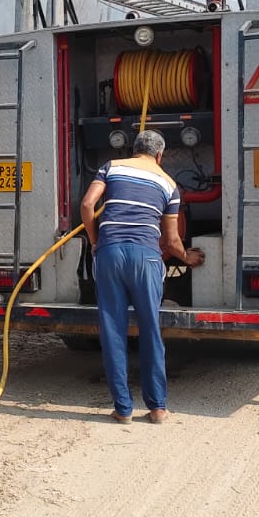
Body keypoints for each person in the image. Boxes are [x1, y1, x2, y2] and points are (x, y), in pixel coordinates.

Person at [80, 129, 204, 425]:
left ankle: (123, 409)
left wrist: (96, 241)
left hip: (110, 255)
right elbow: (172, 242)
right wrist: (189, 258)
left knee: (112, 332)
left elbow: (87, 205)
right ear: (159, 155)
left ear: (133, 150)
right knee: (150, 331)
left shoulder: (111, 167)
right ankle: (158, 408)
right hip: (146, 258)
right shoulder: (169, 183)